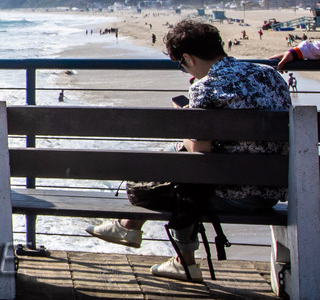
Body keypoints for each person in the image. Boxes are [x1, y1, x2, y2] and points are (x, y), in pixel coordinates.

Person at [87, 19, 290, 282]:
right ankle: (135, 230)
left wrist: (183, 121)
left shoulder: (205, 87)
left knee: (185, 172)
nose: (184, 70)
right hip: (274, 190)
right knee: (187, 169)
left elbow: (201, 152)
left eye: (181, 65)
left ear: (188, 58)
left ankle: (153, 240)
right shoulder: (270, 74)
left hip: (234, 196)